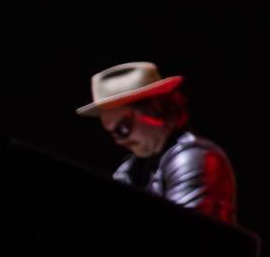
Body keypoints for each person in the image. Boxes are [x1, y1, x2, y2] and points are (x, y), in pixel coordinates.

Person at [78, 60, 238, 225]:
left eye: (123, 129)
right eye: (110, 134)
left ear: (154, 110)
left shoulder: (194, 158)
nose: (119, 141)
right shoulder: (129, 170)